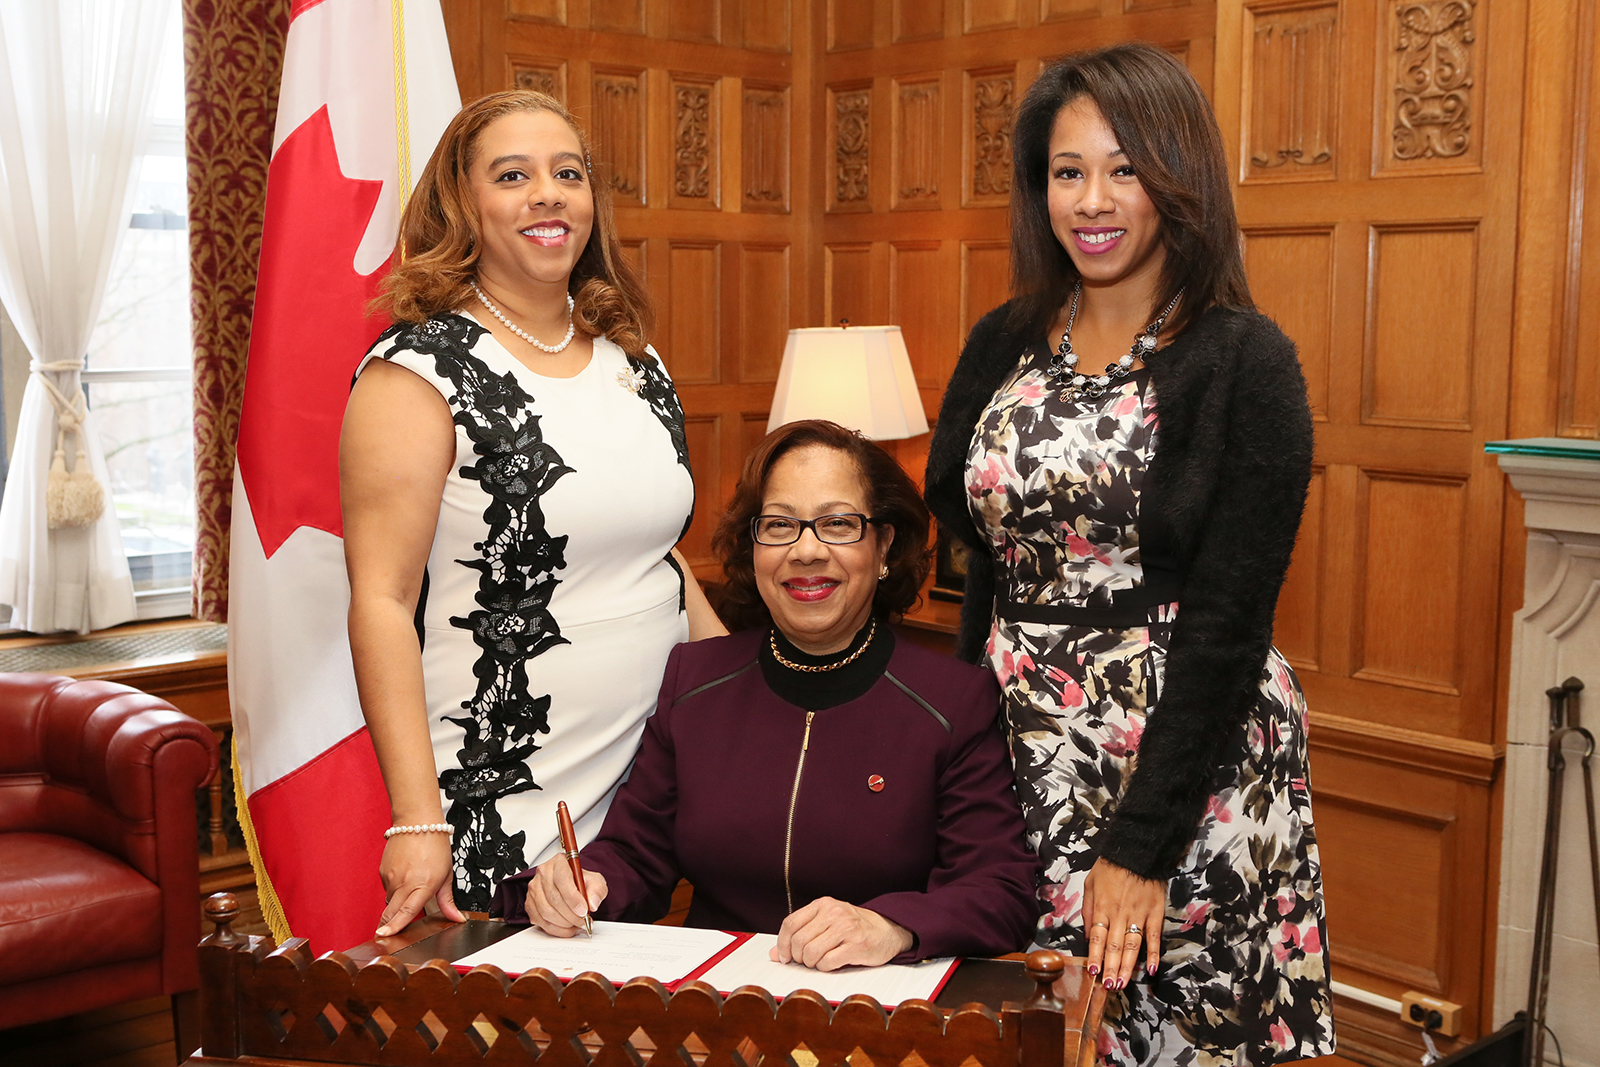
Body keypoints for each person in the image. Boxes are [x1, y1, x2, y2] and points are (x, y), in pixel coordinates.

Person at [923, 45, 1335, 1065]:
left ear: (1175, 178)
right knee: (1023, 1031)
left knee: (1173, 1042)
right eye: (1068, 171)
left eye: (1124, 167)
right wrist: (959, 748)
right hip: (1019, 752)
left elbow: (1228, 623)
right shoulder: (1001, 340)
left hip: (1186, 766)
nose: (1092, 200)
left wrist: (1140, 847)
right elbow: (984, 562)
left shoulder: (1244, 358)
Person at [341, 89, 724, 938]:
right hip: (499, 795)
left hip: (646, 801)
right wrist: (415, 818)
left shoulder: (636, 358)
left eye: (568, 173)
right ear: (463, 204)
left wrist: (745, 709)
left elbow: (662, 558)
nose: (548, 194)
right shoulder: (417, 371)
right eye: (513, 175)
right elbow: (378, 600)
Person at [496, 420, 1039, 969]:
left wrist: (892, 926)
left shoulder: (952, 701)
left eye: (837, 524)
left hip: (876, 1012)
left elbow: (999, 890)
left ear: (883, 546)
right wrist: (582, 885)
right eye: (779, 525)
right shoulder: (695, 681)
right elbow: (636, 853)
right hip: (714, 1009)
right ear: (753, 548)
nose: (806, 551)